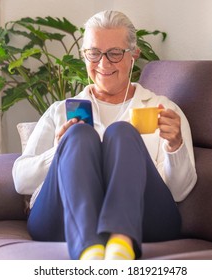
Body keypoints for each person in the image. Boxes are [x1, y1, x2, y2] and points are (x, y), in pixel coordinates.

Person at [12, 10, 197, 260]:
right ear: (84, 55)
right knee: (77, 135)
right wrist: (60, 151)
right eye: (94, 53)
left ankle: (121, 241)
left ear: (133, 55)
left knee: (122, 132)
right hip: (60, 221)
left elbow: (179, 192)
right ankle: (90, 248)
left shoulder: (163, 109)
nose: (103, 63)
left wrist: (175, 146)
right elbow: (21, 180)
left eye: (114, 53)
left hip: (145, 222)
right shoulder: (61, 110)